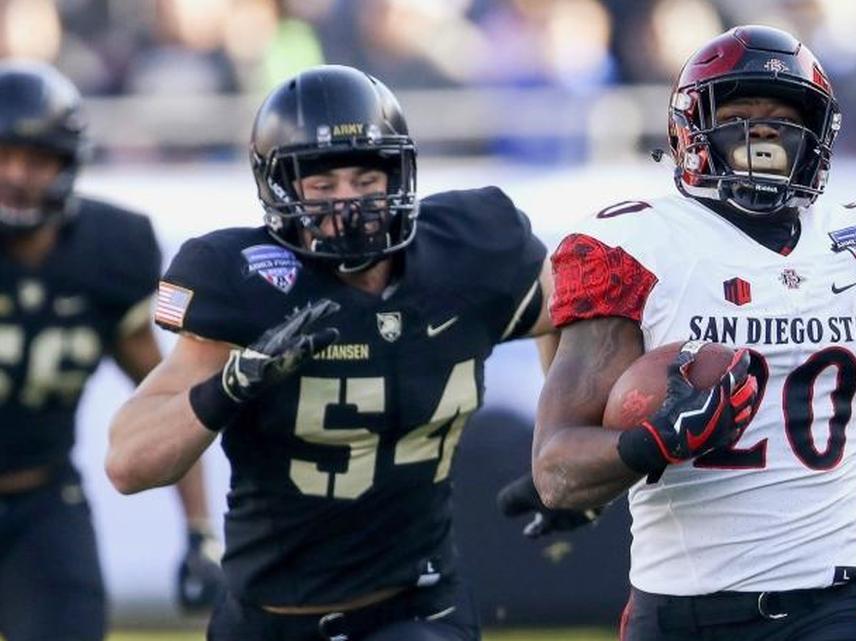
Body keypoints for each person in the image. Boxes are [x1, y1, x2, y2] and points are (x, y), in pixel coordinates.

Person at [531, 25, 856, 641]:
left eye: (781, 116)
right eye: (738, 115)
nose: (760, 133)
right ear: (690, 129)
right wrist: (653, 442)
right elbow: (555, 468)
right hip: (682, 607)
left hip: (832, 602)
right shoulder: (634, 248)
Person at [105, 64, 558, 641]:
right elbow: (127, 462)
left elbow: (570, 313)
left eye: (366, 180)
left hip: (415, 605)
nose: (348, 205)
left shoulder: (469, 250)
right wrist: (230, 386)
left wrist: (558, 448)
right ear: (281, 189)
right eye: (322, 186)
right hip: (267, 616)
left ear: (398, 174)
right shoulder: (242, 281)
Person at [0, 61, 221, 641]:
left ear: (68, 163)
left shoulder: (107, 253)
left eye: (36, 158)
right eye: (2, 156)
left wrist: (200, 531)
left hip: (41, 501)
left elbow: (168, 400)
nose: (17, 175)